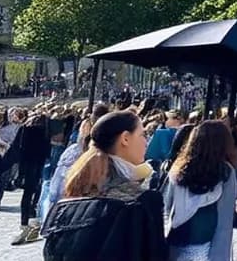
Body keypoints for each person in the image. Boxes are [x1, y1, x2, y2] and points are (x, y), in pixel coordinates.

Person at [41, 111, 167, 261]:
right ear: (125, 139)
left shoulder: (76, 189)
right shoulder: (141, 201)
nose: (146, 142)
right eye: (142, 135)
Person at [162, 120, 237, 261]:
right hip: (206, 245)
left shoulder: (178, 168)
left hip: (176, 240)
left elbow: (167, 207)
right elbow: (225, 220)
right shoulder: (226, 172)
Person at [8, 111, 51, 242]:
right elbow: (47, 151)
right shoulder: (45, 131)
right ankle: (34, 219)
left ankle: (24, 223)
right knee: (37, 192)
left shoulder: (25, 130)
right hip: (39, 163)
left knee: (26, 195)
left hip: (26, 165)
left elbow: (19, 148)